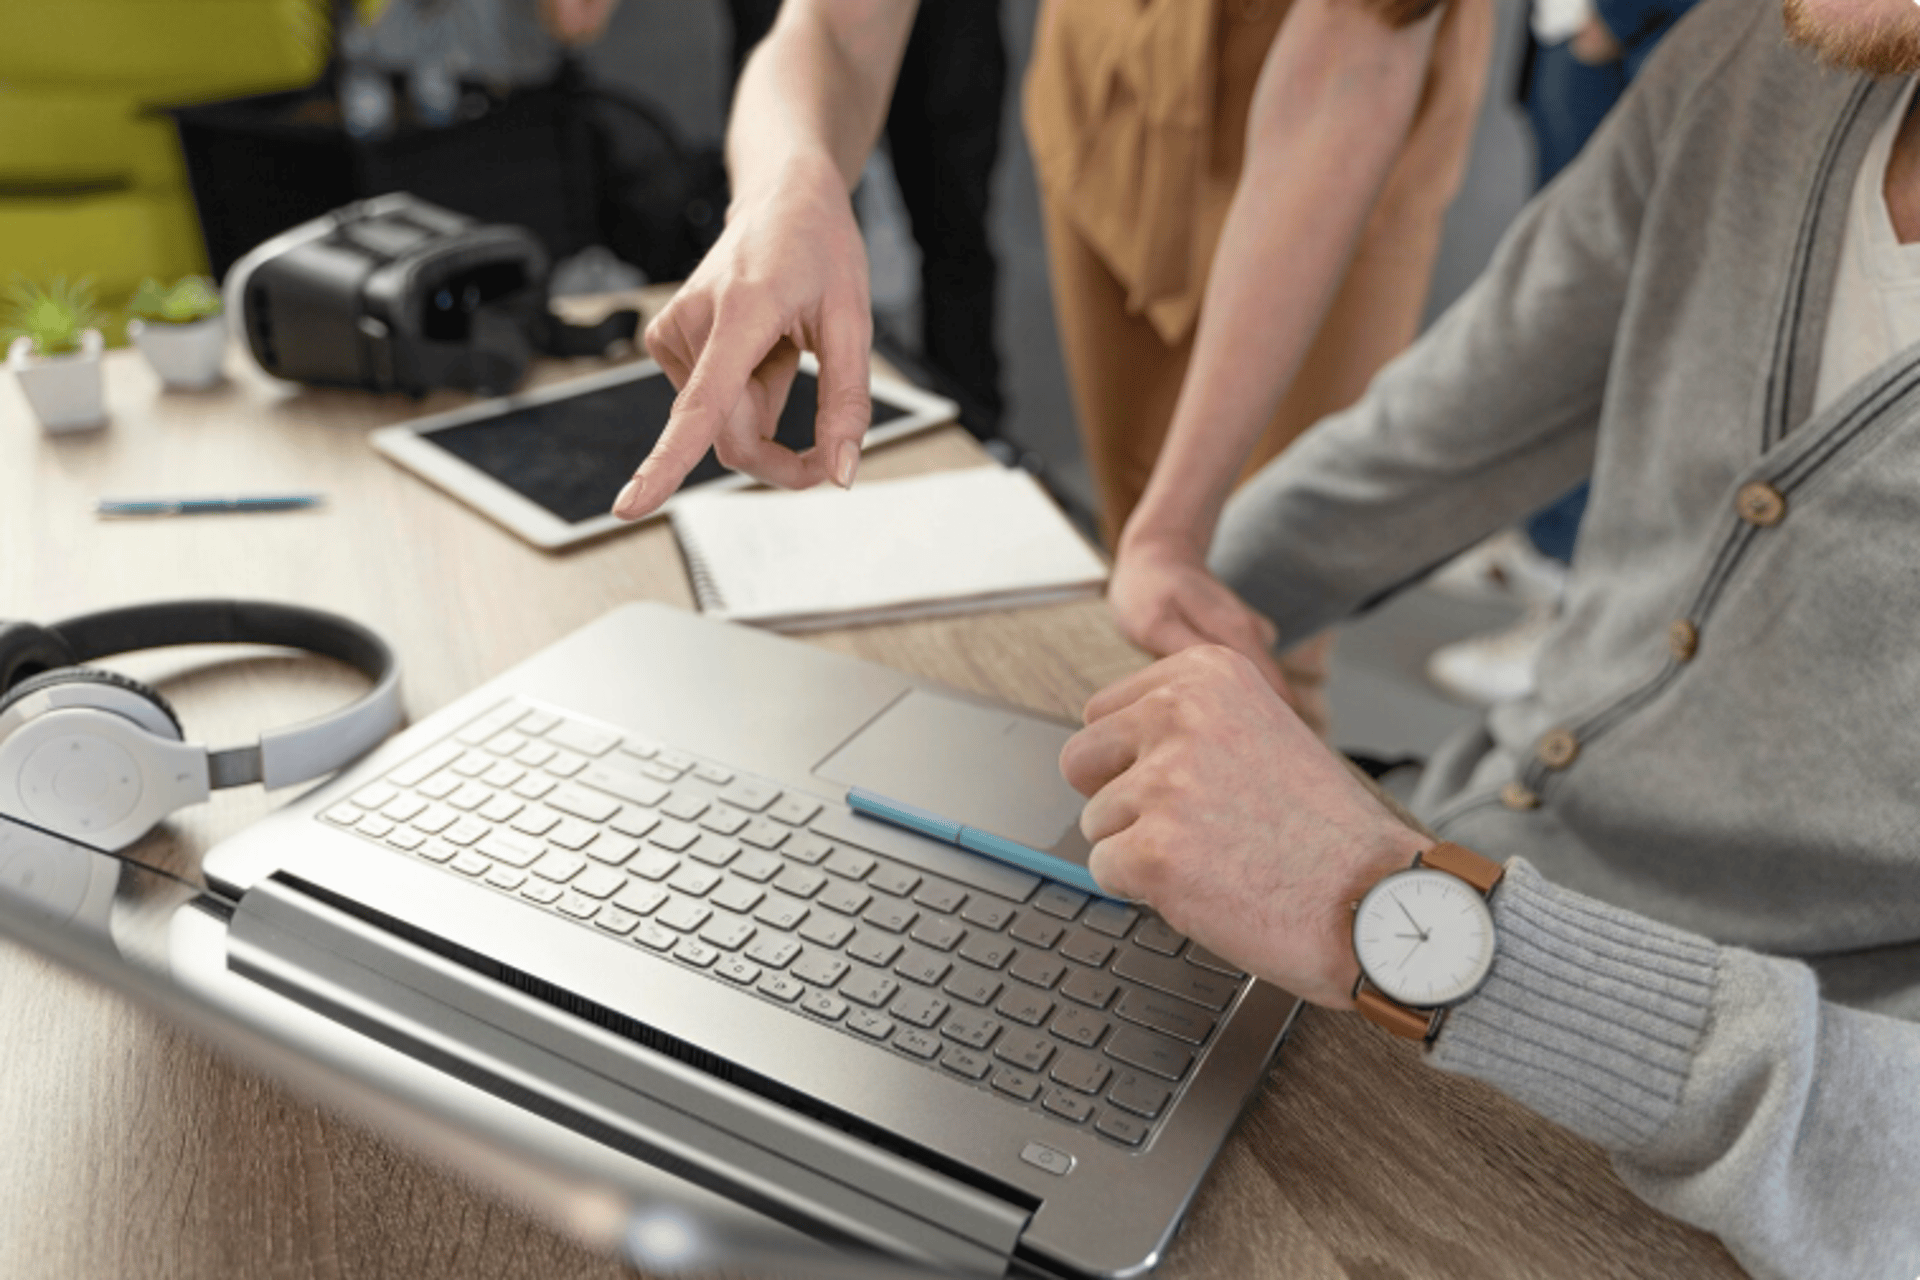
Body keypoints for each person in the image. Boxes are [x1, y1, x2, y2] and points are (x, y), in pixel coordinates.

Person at [1062, 0, 1920, 1273]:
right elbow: (1438, 430)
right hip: (1459, 920)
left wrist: (1395, 909)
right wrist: (1171, 619)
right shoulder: (1751, 61)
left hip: (1743, 1184)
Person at [609, 0, 1493, 737]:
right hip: (1120, 68)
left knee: (1247, 622)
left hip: (1337, 101)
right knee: (1131, 555)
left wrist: (1175, 532)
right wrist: (787, 185)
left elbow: (1342, 76)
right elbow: (837, 29)